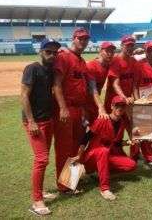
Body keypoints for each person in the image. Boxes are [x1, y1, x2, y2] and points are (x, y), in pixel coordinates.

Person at [53, 27, 100, 193]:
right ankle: (63, 186)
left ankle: (71, 182)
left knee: (76, 147)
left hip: (79, 110)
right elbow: (56, 84)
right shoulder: (64, 57)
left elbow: (88, 84)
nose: (83, 41)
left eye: (86, 39)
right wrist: (62, 108)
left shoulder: (81, 61)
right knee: (64, 148)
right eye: (80, 38)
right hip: (66, 109)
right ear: (73, 38)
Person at [21, 38, 60, 215]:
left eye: (55, 52)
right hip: (35, 122)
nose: (52, 55)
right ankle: (36, 201)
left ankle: (41, 191)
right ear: (41, 52)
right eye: (48, 51)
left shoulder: (51, 71)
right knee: (42, 159)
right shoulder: (32, 68)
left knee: (44, 159)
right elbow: (24, 96)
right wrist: (31, 121)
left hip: (48, 120)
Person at [70, 96, 137, 200]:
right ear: (111, 106)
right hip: (91, 157)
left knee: (131, 165)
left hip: (106, 157)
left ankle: (101, 174)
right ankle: (104, 188)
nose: (120, 108)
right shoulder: (103, 119)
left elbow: (116, 143)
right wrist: (79, 155)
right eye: (117, 105)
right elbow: (86, 137)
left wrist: (128, 142)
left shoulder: (121, 122)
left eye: (122, 106)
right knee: (103, 151)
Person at [85, 41, 116, 124]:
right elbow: (93, 89)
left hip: (94, 103)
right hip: (84, 104)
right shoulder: (91, 66)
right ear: (100, 51)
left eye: (112, 52)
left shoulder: (108, 65)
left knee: (97, 129)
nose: (110, 54)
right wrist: (101, 106)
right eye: (107, 51)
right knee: (82, 131)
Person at [104, 35, 137, 112]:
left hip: (127, 102)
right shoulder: (115, 60)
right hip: (114, 103)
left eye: (132, 45)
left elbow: (134, 84)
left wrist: (137, 99)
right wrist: (124, 98)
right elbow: (115, 84)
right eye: (127, 45)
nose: (130, 48)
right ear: (122, 46)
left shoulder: (133, 61)